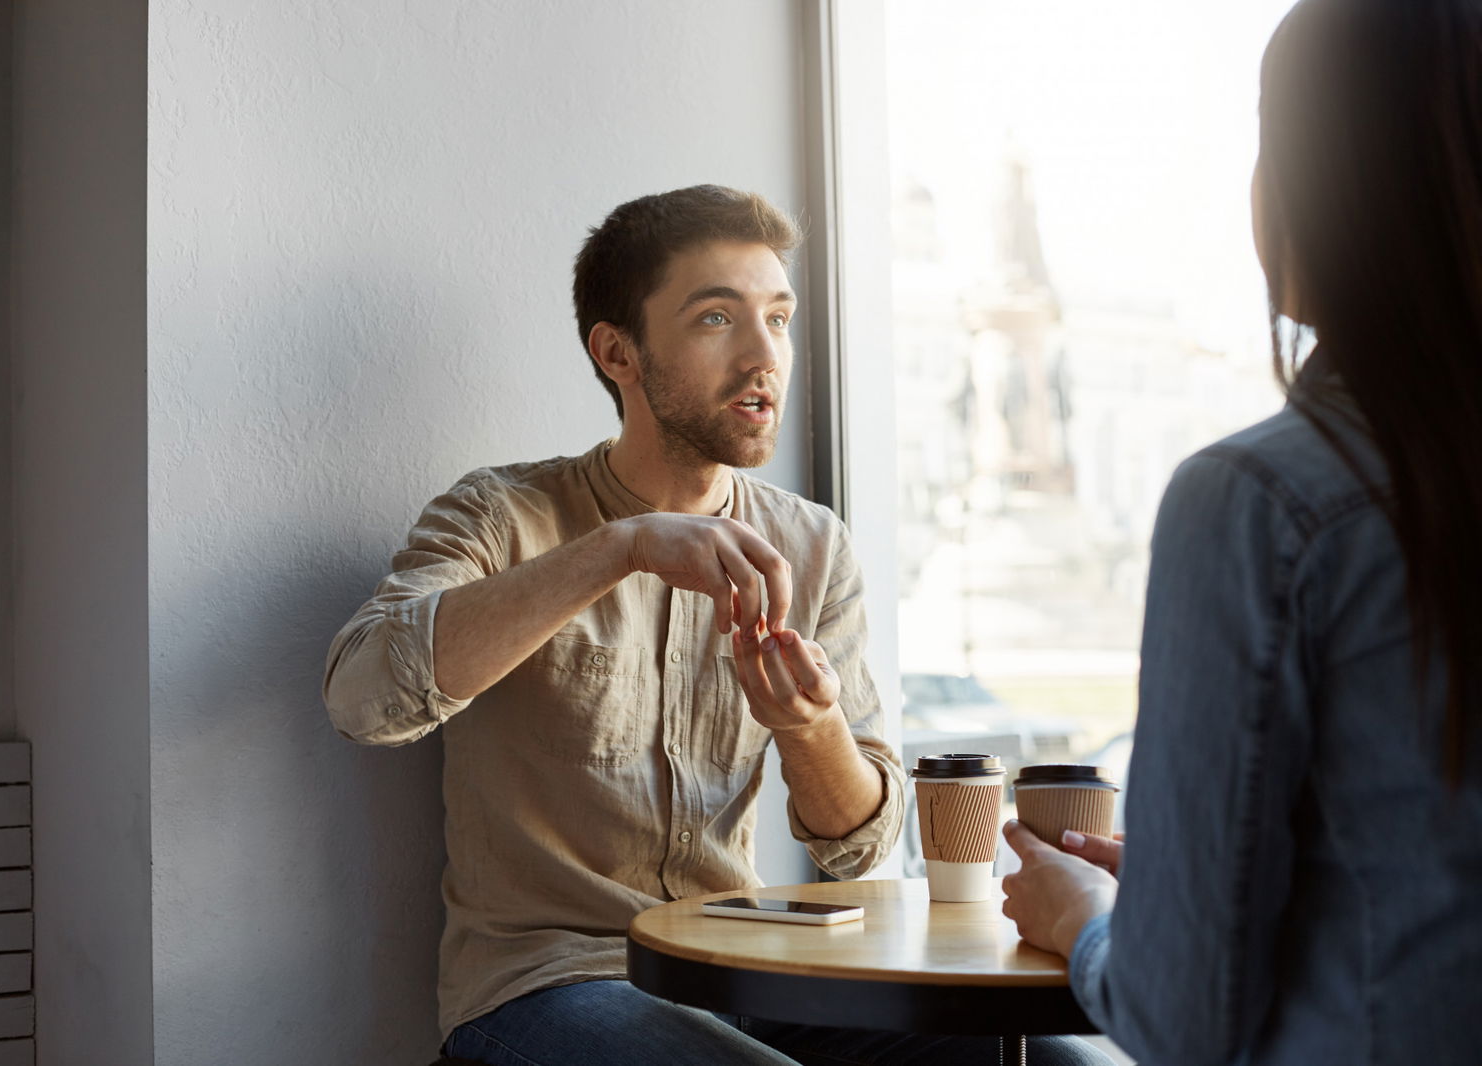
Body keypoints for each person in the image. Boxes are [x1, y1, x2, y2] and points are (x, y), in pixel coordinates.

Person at [324, 185, 1109, 1065]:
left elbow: (861, 848)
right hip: (546, 988)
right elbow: (364, 697)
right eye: (715, 320)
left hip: (745, 965)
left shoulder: (812, 546)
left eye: (778, 318)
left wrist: (808, 728)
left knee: (1064, 1061)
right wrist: (621, 549)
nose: (764, 355)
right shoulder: (502, 514)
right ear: (617, 352)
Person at [1001, 1, 1482, 1063]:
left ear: (1301, 201)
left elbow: (1182, 1019)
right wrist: (1178, 891)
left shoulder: (1261, 501)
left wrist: (1085, 916)